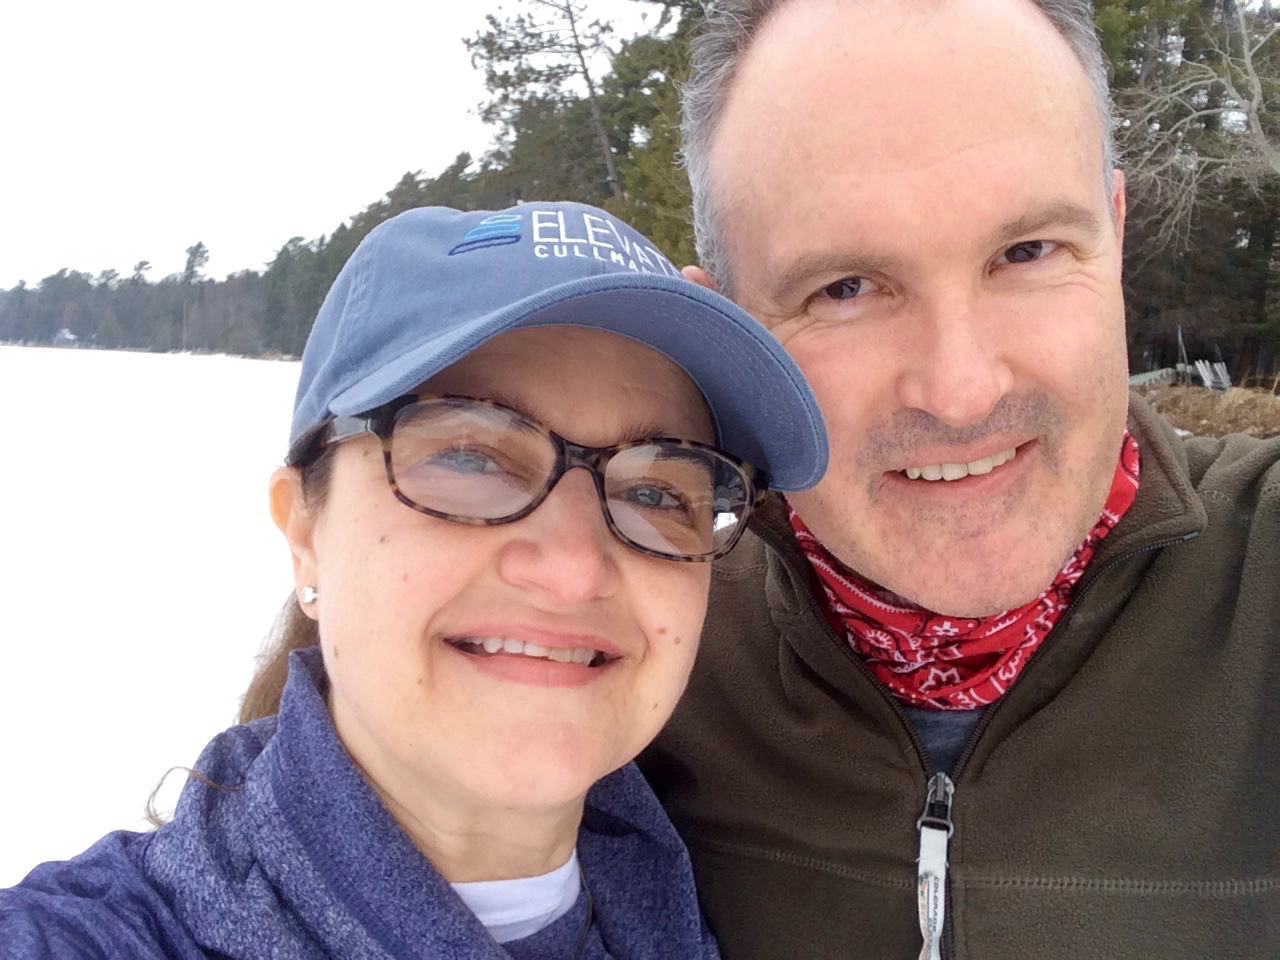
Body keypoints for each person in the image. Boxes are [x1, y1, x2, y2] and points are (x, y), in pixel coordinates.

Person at [0, 201, 827, 959]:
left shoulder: (729, 908)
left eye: (657, 492)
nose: (574, 567)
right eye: (469, 458)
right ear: (305, 532)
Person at [639, 1, 1280, 958]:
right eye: (845, 288)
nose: (961, 391)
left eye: (1026, 252)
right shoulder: (634, 652)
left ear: (1114, 238)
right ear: (726, 332)